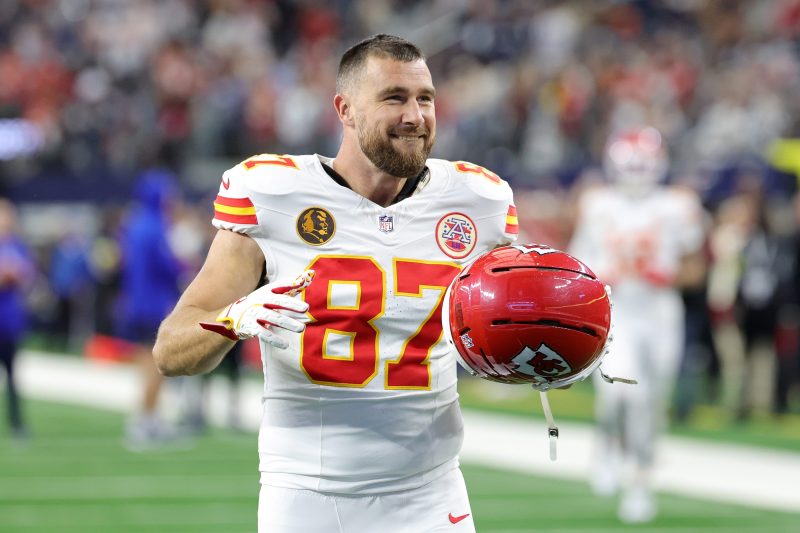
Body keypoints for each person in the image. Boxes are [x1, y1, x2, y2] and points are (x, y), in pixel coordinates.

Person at [153, 34, 518, 532]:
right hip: (307, 497)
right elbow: (170, 353)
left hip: (431, 494)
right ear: (345, 110)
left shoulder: (478, 200)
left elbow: (513, 330)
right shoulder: (274, 193)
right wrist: (233, 320)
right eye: (394, 98)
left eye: (425, 98)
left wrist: (553, 348)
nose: (415, 116)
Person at [569, 126, 706, 523]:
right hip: (616, 312)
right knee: (621, 394)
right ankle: (610, 446)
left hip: (660, 313)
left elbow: (696, 268)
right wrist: (602, 277)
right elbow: (577, 264)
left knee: (651, 403)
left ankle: (641, 481)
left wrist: (670, 276)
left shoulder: (677, 204)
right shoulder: (597, 203)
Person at [117, 169, 185, 449]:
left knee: (145, 365)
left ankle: (148, 417)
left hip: (133, 302)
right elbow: (166, 266)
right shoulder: (156, 226)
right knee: (158, 366)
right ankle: (146, 422)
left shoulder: (133, 223)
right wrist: (187, 265)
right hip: (153, 304)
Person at [0, 198, 35, 440]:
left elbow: (28, 275)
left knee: (13, 376)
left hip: (10, 321)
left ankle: (17, 424)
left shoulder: (17, 245)